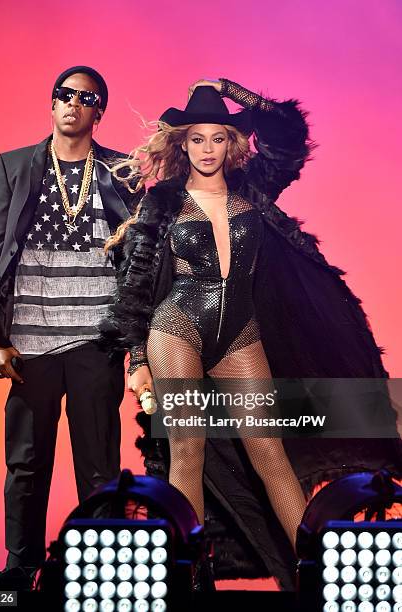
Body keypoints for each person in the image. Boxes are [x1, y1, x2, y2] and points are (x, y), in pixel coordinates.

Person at [100, 78, 402, 590]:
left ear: (233, 142)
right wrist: (136, 359)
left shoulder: (253, 188)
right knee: (188, 451)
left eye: (219, 138)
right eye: (197, 138)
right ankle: (188, 582)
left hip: (239, 330)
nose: (208, 149)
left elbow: (289, 140)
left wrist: (245, 97)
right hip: (177, 327)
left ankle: (315, 577)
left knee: (272, 458)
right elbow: (136, 284)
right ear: (181, 142)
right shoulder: (163, 201)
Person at [0, 65, 142, 582]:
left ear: (100, 111)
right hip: (31, 342)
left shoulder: (121, 172)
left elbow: (139, 261)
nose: (72, 103)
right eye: (64, 95)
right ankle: (18, 568)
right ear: (51, 103)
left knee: (98, 468)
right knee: (26, 465)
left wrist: (136, 346)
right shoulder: (15, 166)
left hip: (97, 338)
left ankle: (103, 573)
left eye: (85, 97)